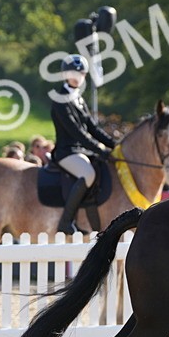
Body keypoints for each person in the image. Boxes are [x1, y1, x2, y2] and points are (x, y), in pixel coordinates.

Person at [50, 54, 117, 233]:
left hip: (81, 151)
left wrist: (115, 144)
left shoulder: (78, 98)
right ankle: (65, 222)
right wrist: (99, 149)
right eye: (73, 73)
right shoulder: (60, 99)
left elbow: (92, 128)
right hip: (67, 152)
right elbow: (76, 132)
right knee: (88, 174)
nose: (77, 77)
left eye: (81, 74)